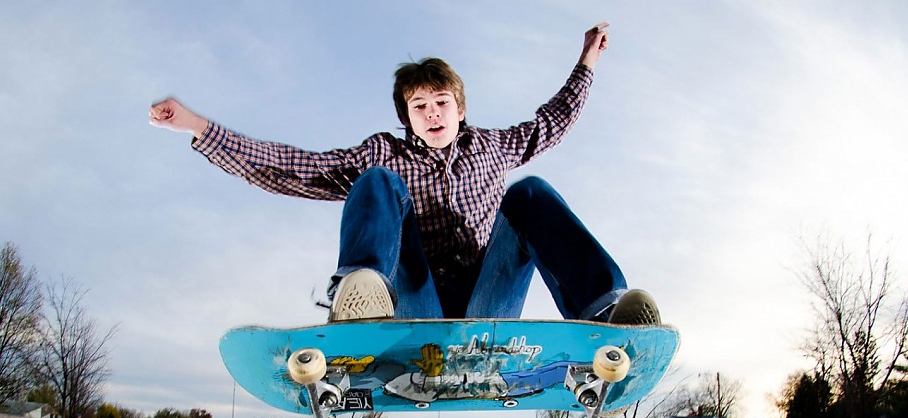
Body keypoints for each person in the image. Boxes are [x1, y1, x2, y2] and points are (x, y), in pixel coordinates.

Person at [149, 22, 660, 326]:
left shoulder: (494, 146)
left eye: (442, 103)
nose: (433, 114)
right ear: (406, 115)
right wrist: (197, 127)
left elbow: (554, 119)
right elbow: (294, 167)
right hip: (416, 301)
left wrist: (587, 62)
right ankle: (361, 291)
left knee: (529, 193)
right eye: (420, 106)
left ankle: (603, 310)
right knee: (376, 179)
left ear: (460, 108)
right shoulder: (385, 151)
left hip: (490, 300)